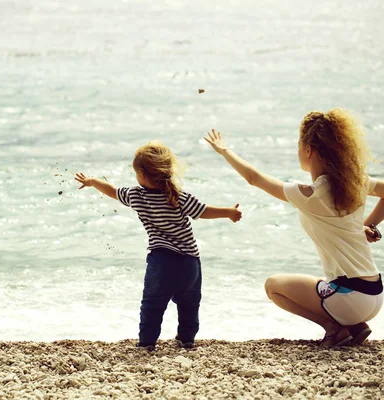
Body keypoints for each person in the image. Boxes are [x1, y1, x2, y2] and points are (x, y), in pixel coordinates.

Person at [204, 108, 384, 348]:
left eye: (299, 145)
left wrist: (224, 150)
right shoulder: (355, 183)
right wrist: (369, 224)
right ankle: (353, 326)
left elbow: (254, 178)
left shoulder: (311, 194)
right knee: (326, 283)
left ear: (308, 150)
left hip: (348, 298)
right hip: (375, 293)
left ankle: (335, 328)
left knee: (273, 286)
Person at [75, 141, 242, 351]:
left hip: (161, 262)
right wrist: (229, 212)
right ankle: (186, 339)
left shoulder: (136, 195)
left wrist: (92, 181)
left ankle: (146, 343)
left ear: (142, 175)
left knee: (152, 305)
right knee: (190, 303)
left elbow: (112, 191)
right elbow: (204, 211)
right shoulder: (179, 196)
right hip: (190, 262)